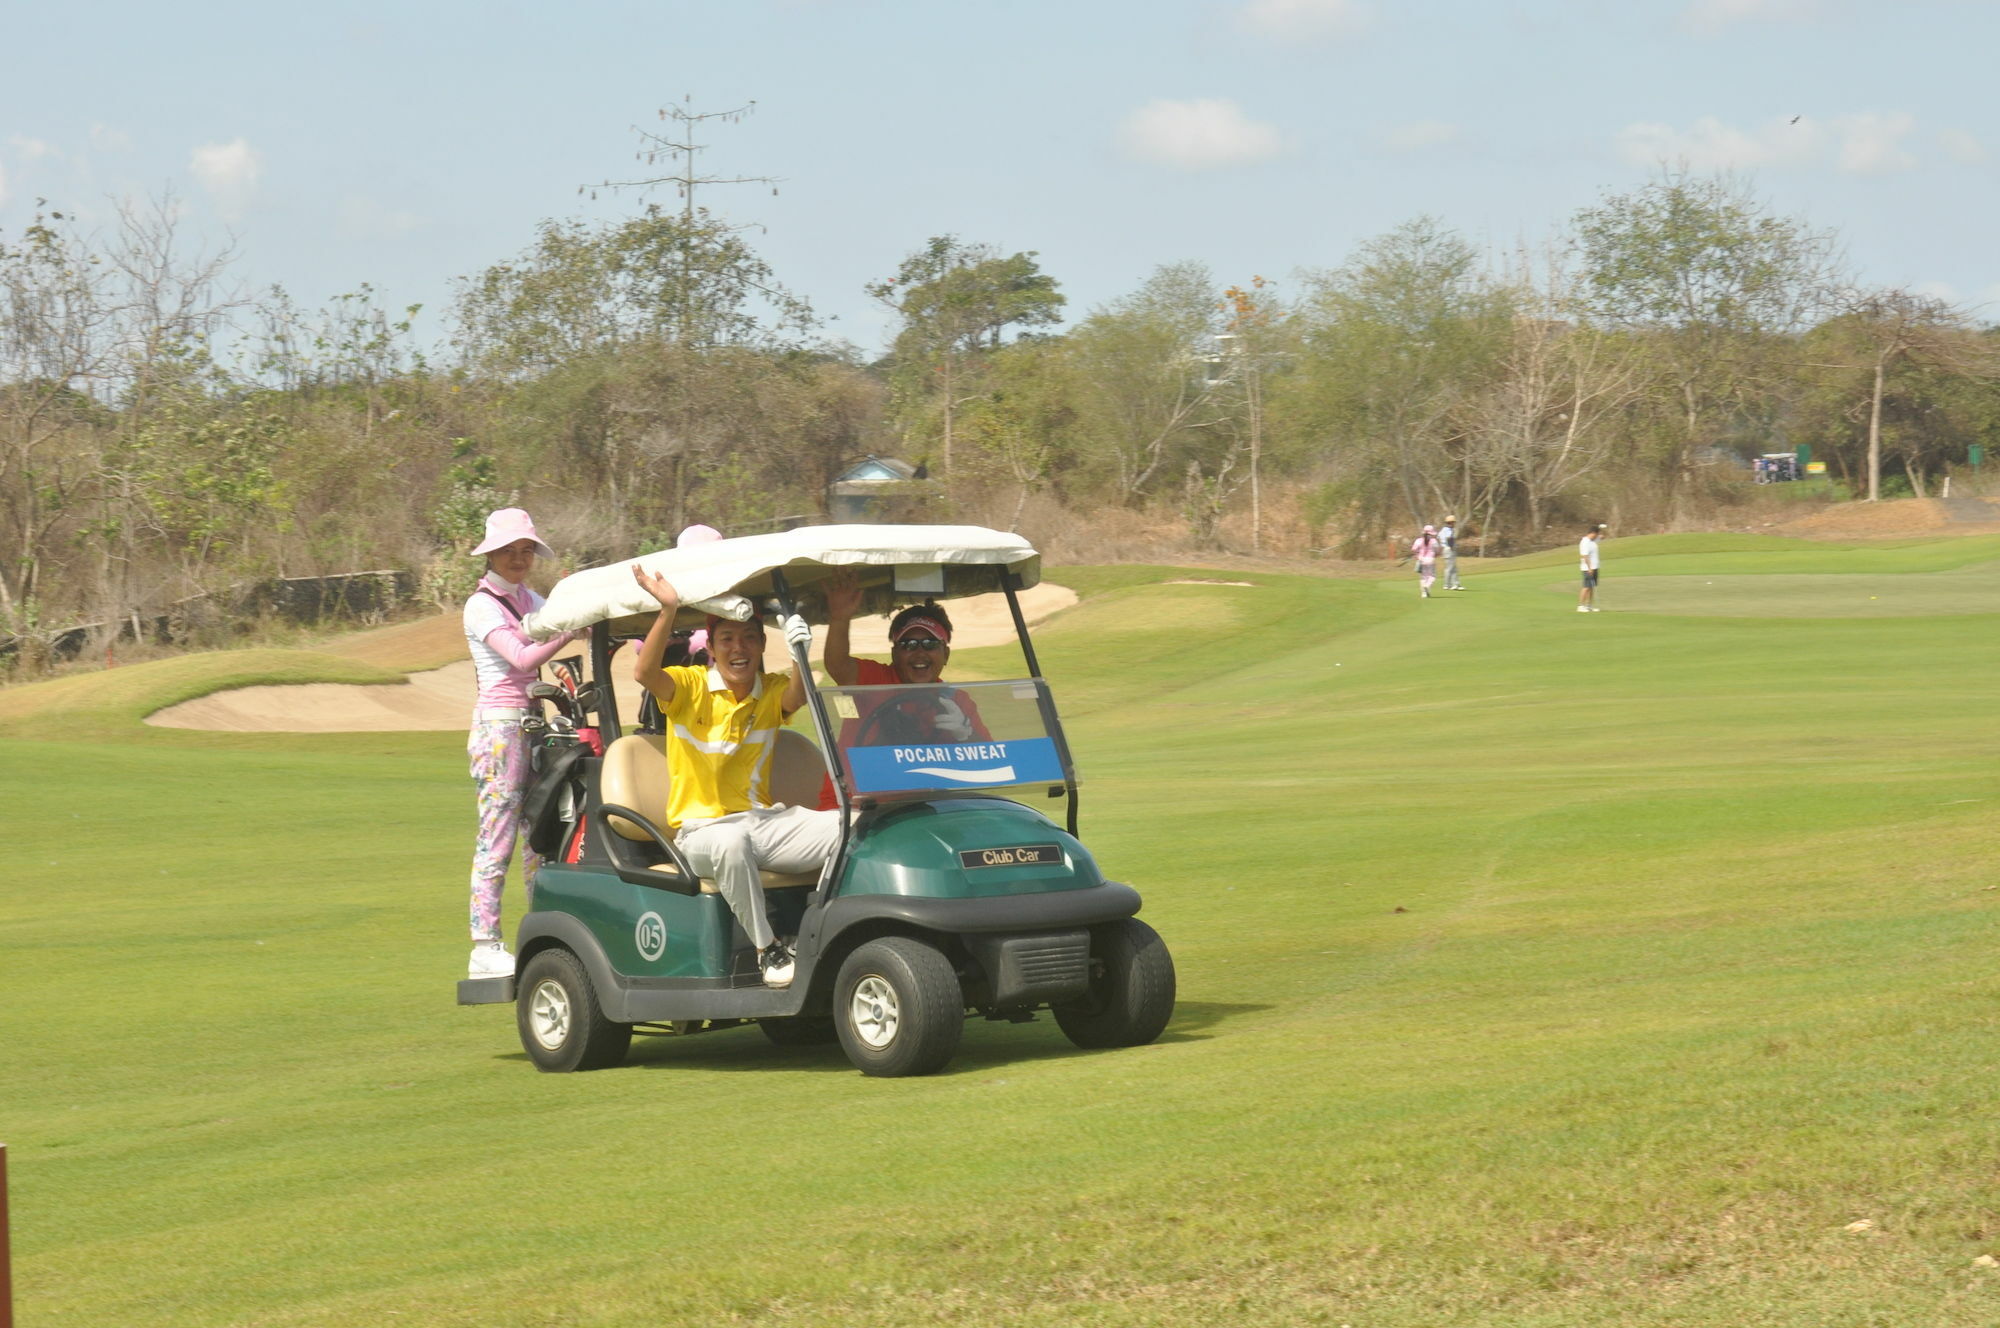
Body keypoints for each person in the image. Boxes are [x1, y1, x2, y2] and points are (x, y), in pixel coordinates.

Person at [630, 566, 840, 988]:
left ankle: (821, 932)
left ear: (763, 645)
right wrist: (667, 609)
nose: (738, 648)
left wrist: (801, 651)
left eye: (749, 638)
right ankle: (768, 949)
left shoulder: (770, 689)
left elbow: (799, 695)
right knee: (730, 842)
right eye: (727, 639)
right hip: (701, 833)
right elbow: (644, 674)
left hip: (763, 824)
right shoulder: (688, 687)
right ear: (711, 646)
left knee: (849, 826)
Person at [463, 508, 580, 979]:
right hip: (499, 728)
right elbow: (522, 655)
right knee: (498, 839)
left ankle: (543, 933)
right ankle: (484, 944)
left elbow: (563, 626)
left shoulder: (530, 597)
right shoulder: (482, 605)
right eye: (509, 551)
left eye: (526, 550)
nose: (518, 558)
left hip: (532, 725)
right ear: (491, 554)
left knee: (540, 839)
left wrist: (579, 606)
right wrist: (569, 627)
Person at [816, 574, 990, 809]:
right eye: (908, 645)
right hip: (851, 807)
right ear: (895, 654)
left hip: (918, 810)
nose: (919, 653)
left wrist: (965, 733)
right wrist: (840, 618)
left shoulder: (956, 701)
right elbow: (837, 665)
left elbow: (988, 762)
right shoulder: (876, 680)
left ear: (946, 655)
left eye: (930, 644)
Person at [1578, 522, 1607, 612]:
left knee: (1591, 587)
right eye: (1597, 534)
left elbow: (1603, 537)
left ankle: (1588, 605)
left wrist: (1602, 529)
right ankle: (1580, 606)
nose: (1598, 536)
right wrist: (1589, 568)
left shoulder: (1593, 540)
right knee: (1586, 587)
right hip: (1587, 568)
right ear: (1593, 533)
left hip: (1594, 567)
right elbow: (1584, 556)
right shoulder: (1585, 542)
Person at [1410, 525, 1443, 599]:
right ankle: (1427, 586)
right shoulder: (1434, 541)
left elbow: (1413, 549)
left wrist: (1417, 554)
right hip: (1430, 560)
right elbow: (1437, 551)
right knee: (1432, 576)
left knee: (1423, 577)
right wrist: (1437, 554)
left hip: (1421, 560)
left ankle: (1424, 593)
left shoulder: (1418, 540)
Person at [1439, 515, 1463, 591]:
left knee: (1452, 567)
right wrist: (1452, 547)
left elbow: (1439, 537)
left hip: (1445, 549)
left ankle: (1455, 584)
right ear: (1451, 523)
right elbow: (1449, 539)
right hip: (1449, 549)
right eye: (1453, 522)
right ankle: (1448, 585)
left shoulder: (1442, 530)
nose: (1454, 524)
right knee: (1450, 568)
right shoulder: (1449, 530)